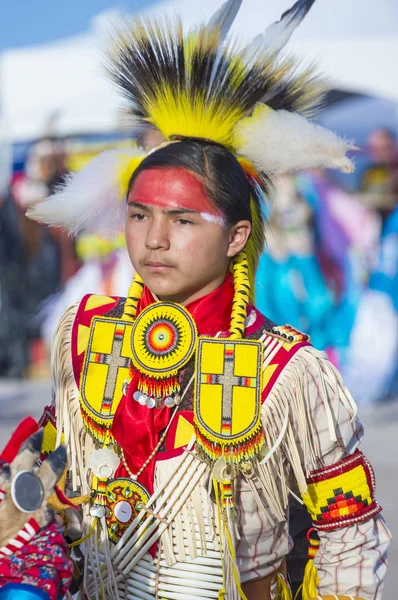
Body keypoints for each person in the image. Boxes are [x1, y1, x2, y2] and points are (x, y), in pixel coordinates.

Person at [0, 1, 391, 599]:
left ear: (236, 236)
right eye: (138, 216)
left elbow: (349, 536)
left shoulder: (286, 374)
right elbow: (58, 497)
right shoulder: (87, 339)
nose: (153, 240)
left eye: (183, 220)